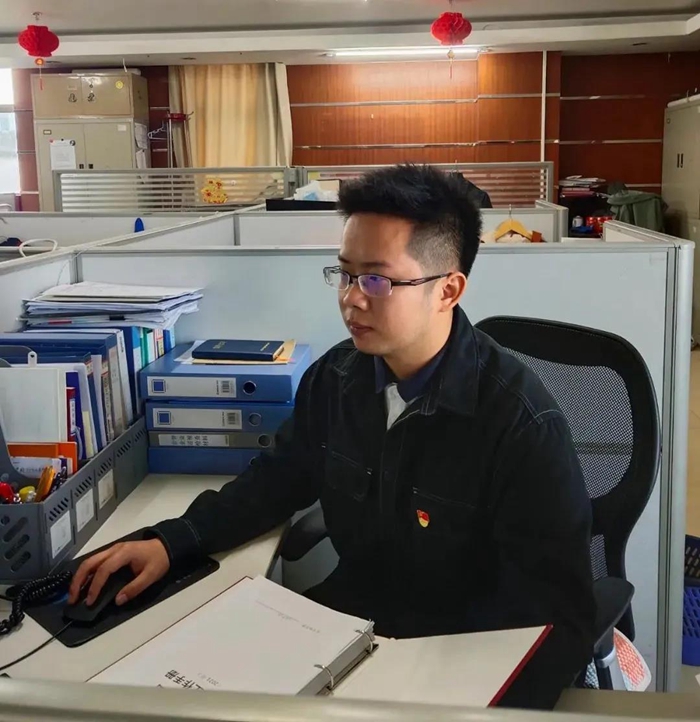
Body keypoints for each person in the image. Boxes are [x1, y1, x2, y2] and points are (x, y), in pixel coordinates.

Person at [70, 164, 595, 668]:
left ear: (448, 290)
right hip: (353, 622)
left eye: (376, 281)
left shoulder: (522, 426)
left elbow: (554, 621)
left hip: (456, 650)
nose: (350, 300)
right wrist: (172, 541)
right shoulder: (337, 378)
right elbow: (274, 483)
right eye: (345, 275)